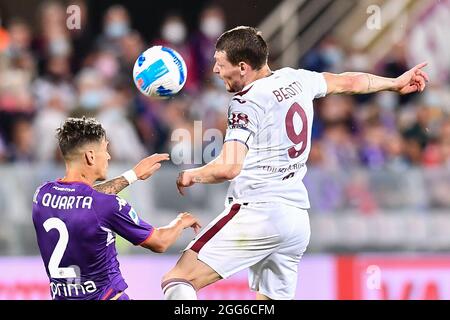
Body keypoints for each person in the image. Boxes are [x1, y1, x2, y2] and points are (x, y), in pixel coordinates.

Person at [161, 26, 429, 300]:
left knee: (178, 279)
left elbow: (229, 167)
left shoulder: (245, 101)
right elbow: (348, 82)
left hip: (258, 212)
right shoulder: (296, 79)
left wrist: (193, 174)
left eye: (220, 64)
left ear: (242, 67)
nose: (216, 71)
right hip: (295, 218)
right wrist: (393, 83)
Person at [32, 117, 201, 300]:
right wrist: (180, 222)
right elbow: (160, 242)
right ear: (90, 156)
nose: (109, 156)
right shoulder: (107, 205)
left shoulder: (41, 195)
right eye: (105, 149)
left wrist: (132, 175)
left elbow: (81, 197)